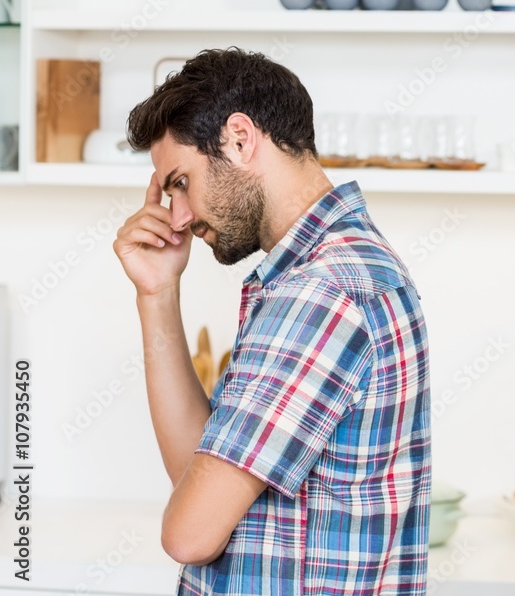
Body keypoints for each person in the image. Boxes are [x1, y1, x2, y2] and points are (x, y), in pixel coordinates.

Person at [112, 48, 431, 596]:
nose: (179, 216)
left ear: (240, 138)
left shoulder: (319, 292)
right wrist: (158, 294)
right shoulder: (331, 269)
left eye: (181, 181)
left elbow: (190, 535)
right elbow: (197, 477)